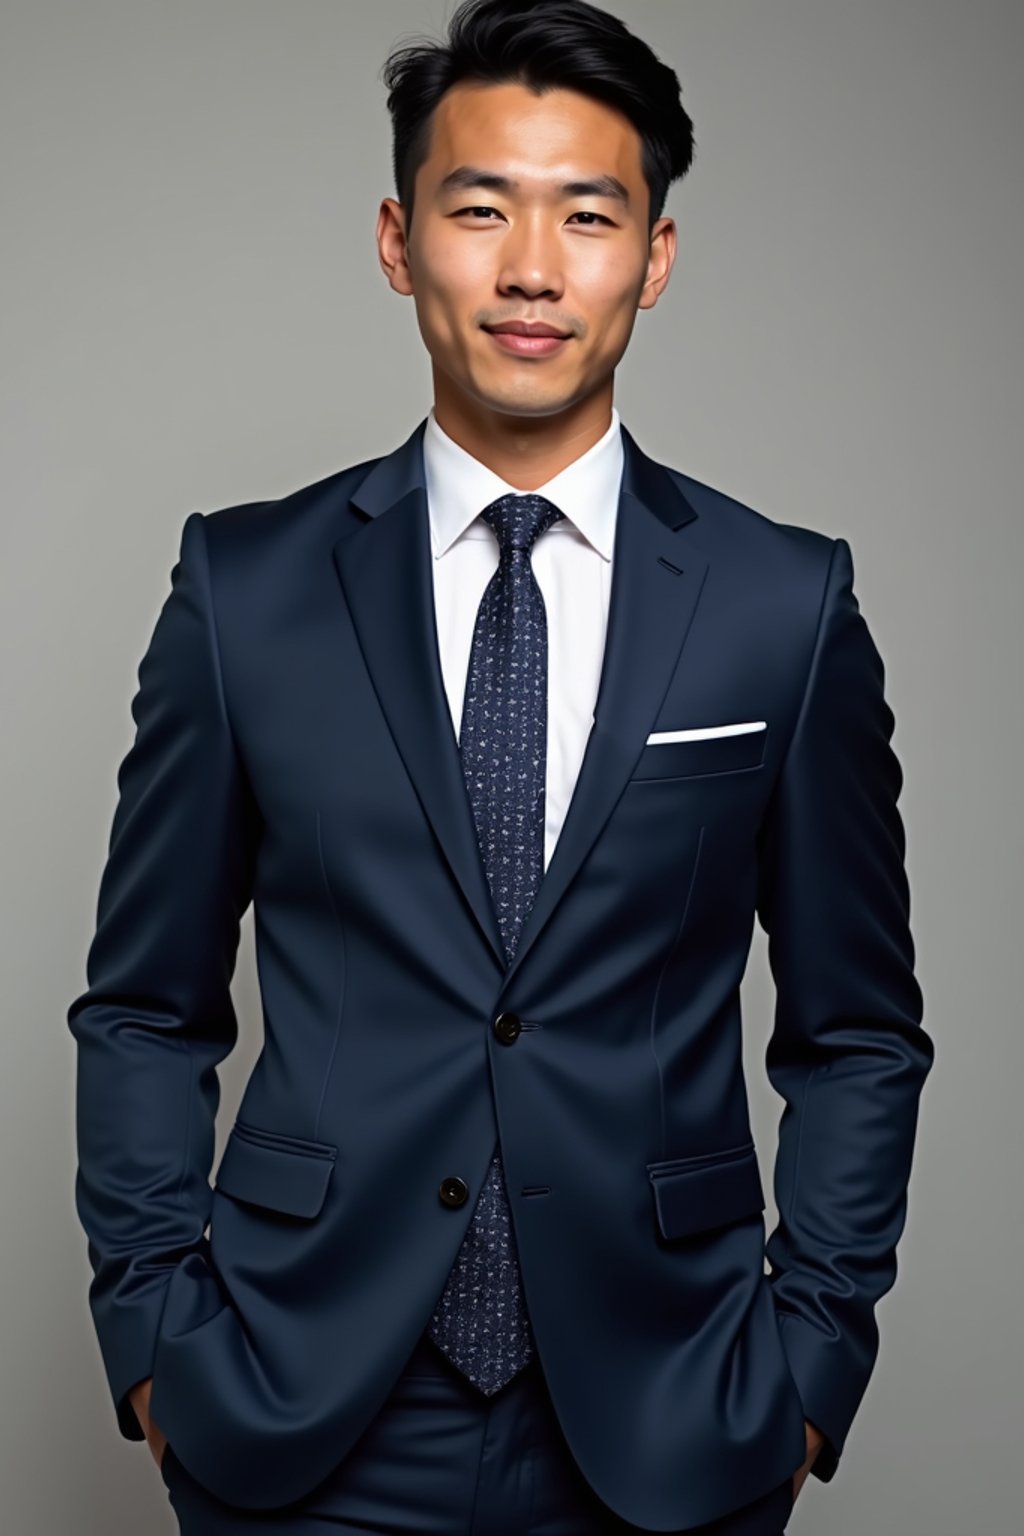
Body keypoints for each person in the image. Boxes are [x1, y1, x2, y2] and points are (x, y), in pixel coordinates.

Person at [67, 1, 934, 1531]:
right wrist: (154, 1333)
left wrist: (814, 1358)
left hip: (673, 1409)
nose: (533, 267)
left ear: (653, 258)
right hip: (298, 1402)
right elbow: (145, 1003)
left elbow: (859, 1031)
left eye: (589, 215)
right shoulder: (245, 590)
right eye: (482, 208)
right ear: (401, 241)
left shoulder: (778, 606)